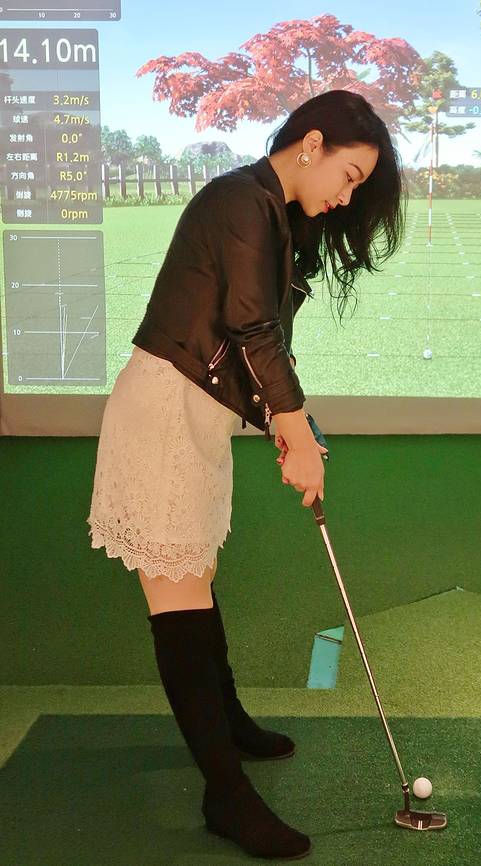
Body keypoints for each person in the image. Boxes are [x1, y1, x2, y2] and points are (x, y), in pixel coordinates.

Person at [86, 88, 405, 859]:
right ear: (312, 144)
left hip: (195, 417)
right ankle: (225, 795)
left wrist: (295, 427)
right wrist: (291, 430)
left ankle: (227, 724)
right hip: (164, 415)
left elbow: (258, 352)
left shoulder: (268, 211)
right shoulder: (239, 200)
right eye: (350, 176)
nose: (346, 197)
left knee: (197, 574)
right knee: (178, 596)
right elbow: (250, 328)